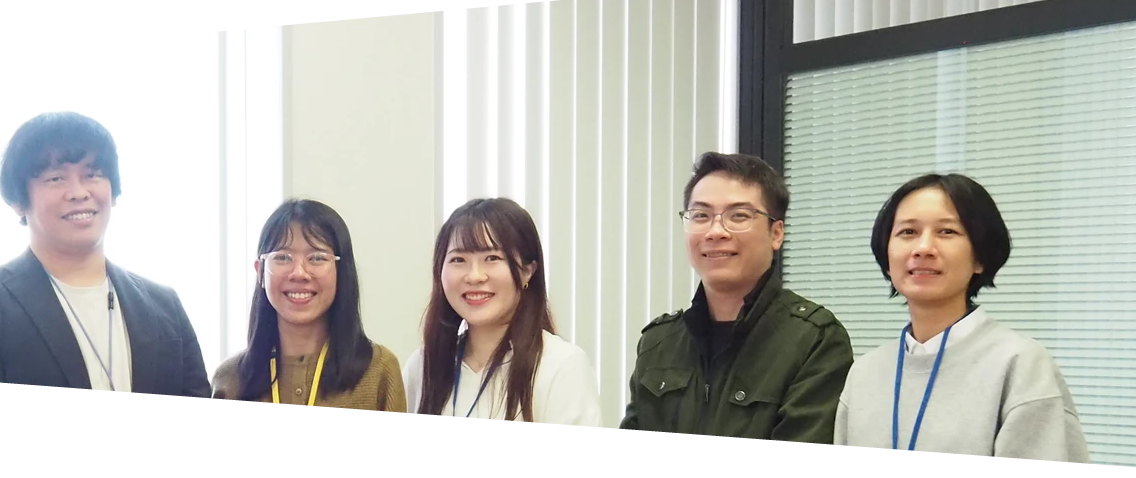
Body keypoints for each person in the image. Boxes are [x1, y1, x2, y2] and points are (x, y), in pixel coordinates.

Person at [0, 111, 210, 397]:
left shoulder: (164, 304)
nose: (78, 192)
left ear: (113, 190)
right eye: (56, 178)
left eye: (92, 174)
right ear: (18, 201)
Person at [834, 173, 1089, 461]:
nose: (923, 248)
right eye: (908, 232)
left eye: (947, 232)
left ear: (980, 257)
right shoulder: (865, 373)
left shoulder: (1020, 365)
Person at [618, 152, 852, 445]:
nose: (716, 231)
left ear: (776, 234)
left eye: (738, 215)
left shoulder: (814, 340)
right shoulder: (659, 342)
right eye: (701, 215)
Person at [402, 197, 601, 427]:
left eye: (492, 258)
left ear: (528, 271)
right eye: (459, 259)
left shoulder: (561, 366)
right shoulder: (423, 365)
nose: (474, 276)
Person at [211, 199, 407, 413]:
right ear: (260, 272)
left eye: (316, 257)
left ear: (341, 271)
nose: (299, 273)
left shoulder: (379, 370)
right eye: (283, 257)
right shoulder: (229, 379)